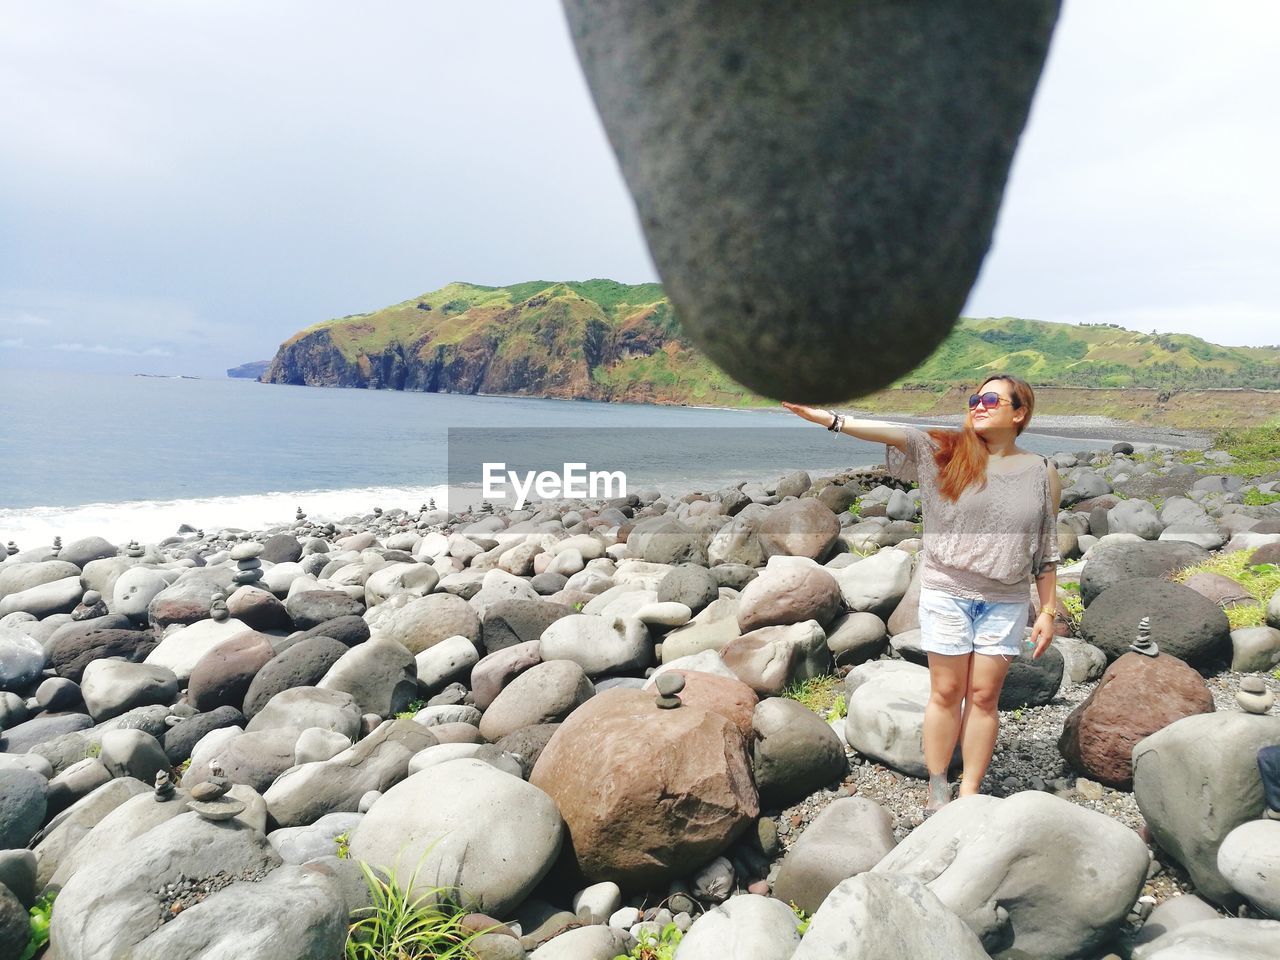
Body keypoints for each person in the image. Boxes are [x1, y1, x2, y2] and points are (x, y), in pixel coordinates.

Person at [782, 373, 1061, 814]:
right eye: (974, 398)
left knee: (986, 697)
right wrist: (830, 420)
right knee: (947, 692)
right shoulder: (946, 450)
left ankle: (969, 787)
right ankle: (937, 781)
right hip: (947, 592)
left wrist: (1047, 608)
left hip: (1006, 599)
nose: (979, 405)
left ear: (1019, 412)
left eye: (991, 399)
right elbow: (894, 431)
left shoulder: (1041, 470)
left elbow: (1045, 545)